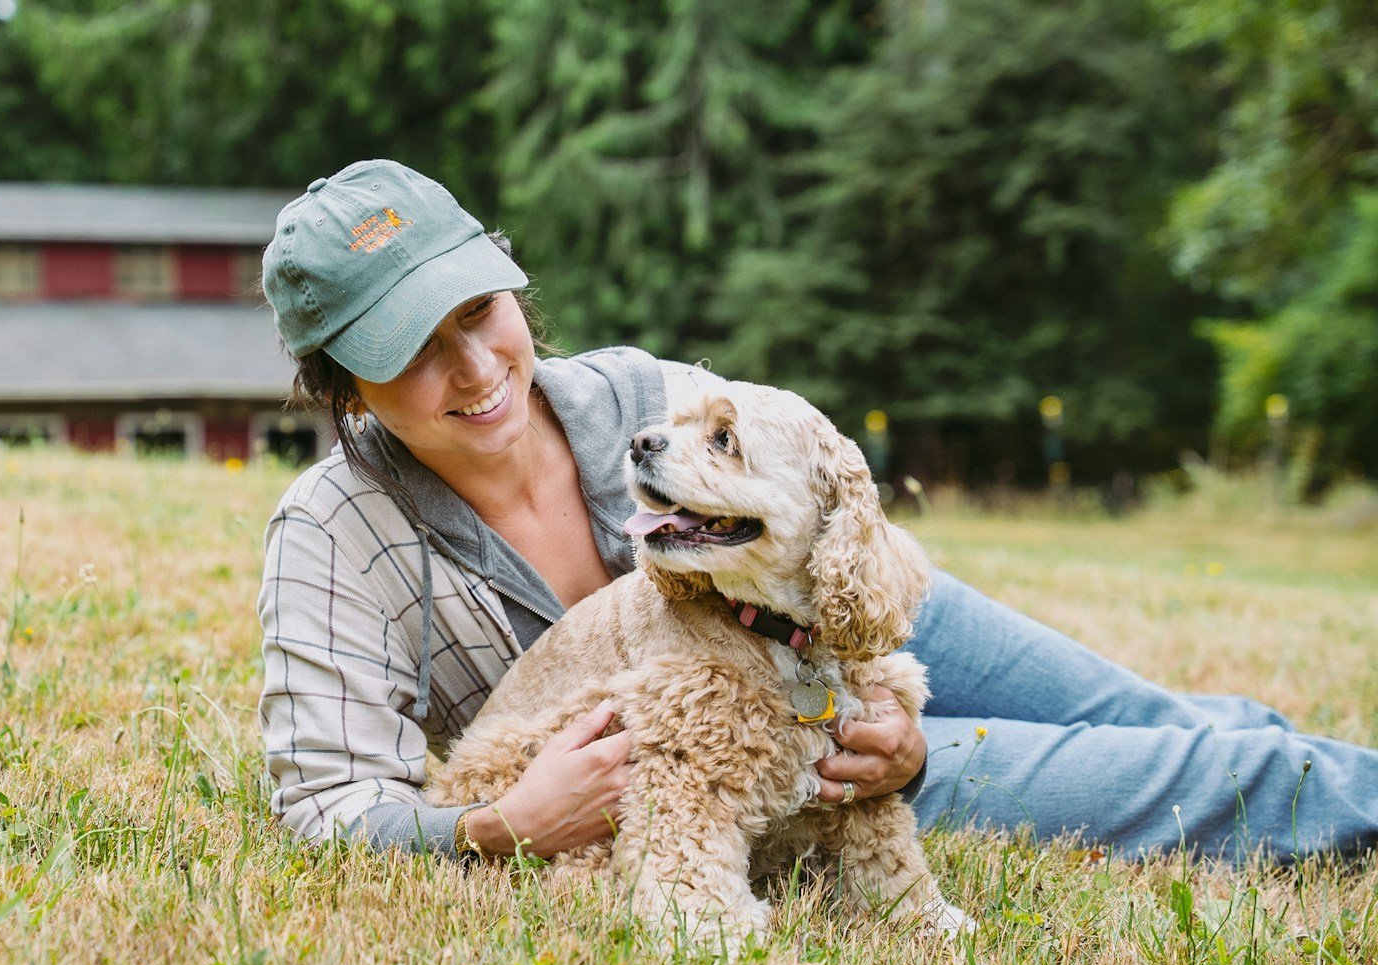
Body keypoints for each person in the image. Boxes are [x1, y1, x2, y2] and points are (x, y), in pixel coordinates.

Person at [256, 159, 1378, 864]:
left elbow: (820, 488)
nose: (474, 365)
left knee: (1154, 715)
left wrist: (882, 683)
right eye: (411, 347)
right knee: (1187, 785)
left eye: (479, 309)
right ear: (341, 383)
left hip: (857, 631)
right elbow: (324, 803)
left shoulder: (645, 394)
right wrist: (498, 824)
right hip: (783, 756)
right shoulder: (332, 536)